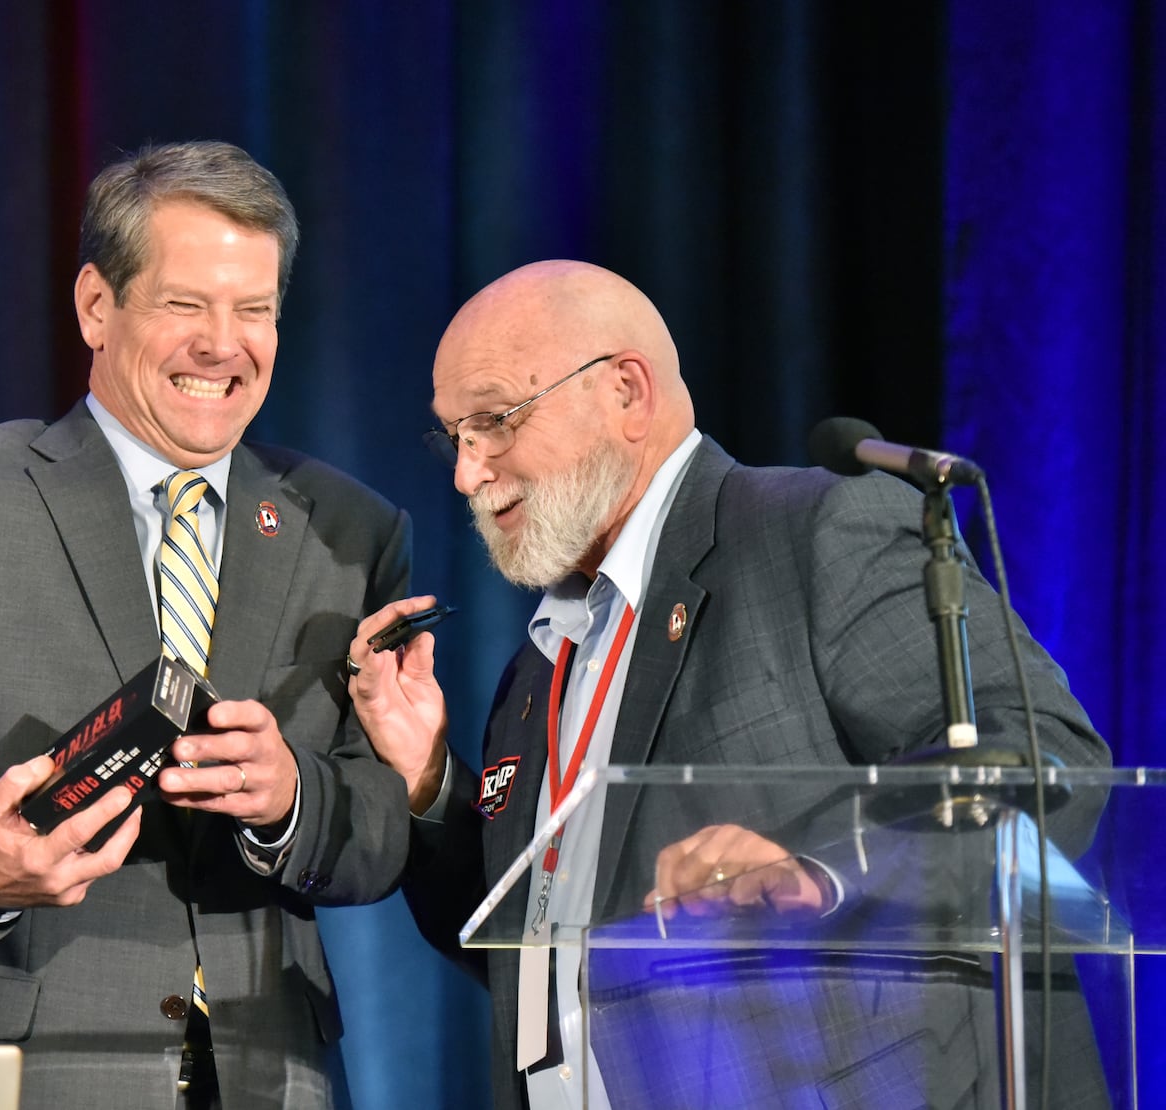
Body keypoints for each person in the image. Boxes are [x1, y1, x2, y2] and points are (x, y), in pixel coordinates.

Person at [346, 260, 1113, 1109]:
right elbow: (524, 952)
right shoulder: (537, 665)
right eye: (452, 436)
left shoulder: (815, 532)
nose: (467, 472)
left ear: (626, 393)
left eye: (493, 420)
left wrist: (820, 874)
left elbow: (1044, 764)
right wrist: (427, 781)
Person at [0, 141, 412, 1109]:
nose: (222, 344)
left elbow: (382, 828)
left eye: (254, 311)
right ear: (95, 307)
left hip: (272, 1073)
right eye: (185, 305)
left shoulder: (350, 532)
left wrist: (293, 802)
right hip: (26, 1071)